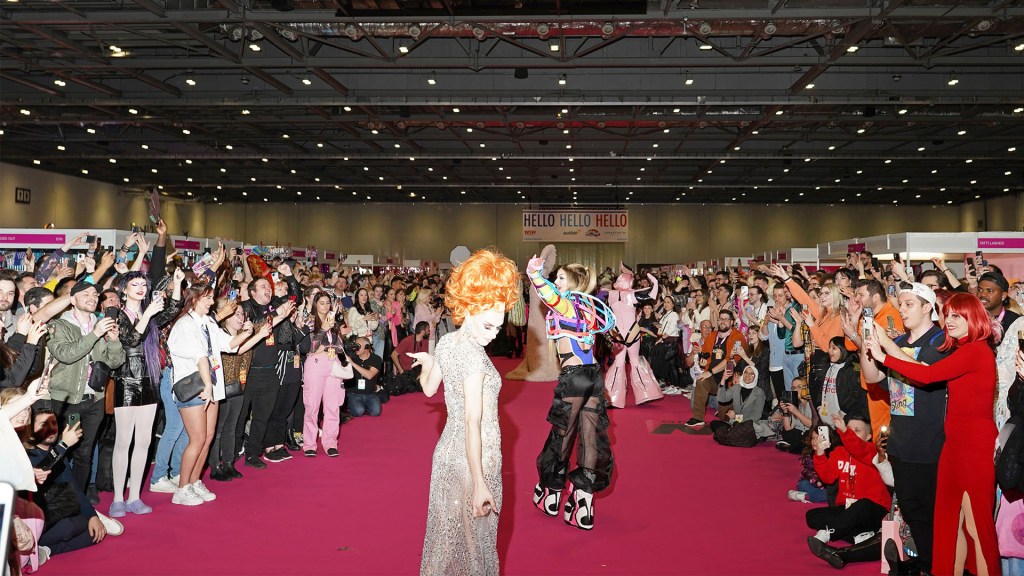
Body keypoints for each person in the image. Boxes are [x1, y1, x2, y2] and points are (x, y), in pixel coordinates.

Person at [864, 292, 1000, 576]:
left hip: (975, 449)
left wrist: (884, 351)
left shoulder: (976, 350)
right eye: (947, 315)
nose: (948, 321)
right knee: (950, 524)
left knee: (976, 526)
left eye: (956, 316)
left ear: (973, 317)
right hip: (952, 447)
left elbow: (926, 376)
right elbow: (926, 371)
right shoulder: (964, 351)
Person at [410, 248, 519, 575]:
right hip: (475, 458)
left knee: (448, 542)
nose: (494, 333)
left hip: (446, 453)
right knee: (476, 547)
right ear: (471, 307)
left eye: (499, 327)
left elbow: (429, 388)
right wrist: (480, 482)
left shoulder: (446, 343)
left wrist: (428, 362)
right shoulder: (473, 358)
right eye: (489, 325)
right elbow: (473, 422)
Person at [860, 282, 947, 575]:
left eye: (909, 304)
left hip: (930, 444)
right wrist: (867, 343)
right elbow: (873, 378)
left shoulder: (940, 341)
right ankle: (924, 565)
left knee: (933, 514)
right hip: (901, 442)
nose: (902, 310)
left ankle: (936, 566)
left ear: (927, 308)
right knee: (911, 511)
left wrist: (887, 345)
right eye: (901, 304)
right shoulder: (899, 341)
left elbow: (922, 374)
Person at [526, 255, 615, 530]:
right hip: (594, 377)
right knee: (590, 440)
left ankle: (551, 493)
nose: (557, 281)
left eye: (561, 278)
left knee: (562, 435)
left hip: (574, 379)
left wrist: (535, 274)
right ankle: (583, 504)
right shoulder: (589, 307)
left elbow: (549, 296)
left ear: (573, 283)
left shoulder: (567, 304)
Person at [167, 283, 269, 506]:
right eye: (208, 298)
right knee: (197, 439)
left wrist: (249, 333)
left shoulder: (209, 323)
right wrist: (207, 386)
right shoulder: (185, 325)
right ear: (194, 299)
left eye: (212, 298)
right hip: (196, 387)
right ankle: (182, 487)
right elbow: (200, 357)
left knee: (209, 436)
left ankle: (194, 482)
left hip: (212, 386)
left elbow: (230, 345)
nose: (212, 302)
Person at [107, 269, 183, 518]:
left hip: (149, 379)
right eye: (135, 284)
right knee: (123, 442)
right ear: (124, 289)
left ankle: (135, 497)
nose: (140, 288)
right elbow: (130, 340)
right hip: (126, 379)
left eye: (143, 284)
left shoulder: (148, 314)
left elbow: (172, 310)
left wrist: (178, 284)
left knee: (143, 442)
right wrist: (148, 312)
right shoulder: (117, 314)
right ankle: (118, 498)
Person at [46, 282, 126, 498]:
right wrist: (94, 334)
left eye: (95, 294)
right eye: (86, 294)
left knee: (85, 453)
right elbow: (65, 354)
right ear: (72, 300)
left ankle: (78, 500)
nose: (92, 297)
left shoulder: (101, 323)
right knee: (61, 451)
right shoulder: (59, 325)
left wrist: (114, 341)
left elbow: (115, 362)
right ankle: (55, 501)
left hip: (95, 399)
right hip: (69, 400)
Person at [806, 414, 891, 568]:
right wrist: (819, 453)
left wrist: (844, 431)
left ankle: (828, 533)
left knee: (862, 504)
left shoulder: (872, 451)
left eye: (856, 430)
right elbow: (828, 478)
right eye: (849, 429)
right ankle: (860, 536)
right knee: (812, 516)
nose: (851, 433)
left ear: (869, 436)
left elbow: (858, 448)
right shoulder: (839, 452)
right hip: (849, 510)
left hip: (874, 511)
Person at [604, 263, 663, 408]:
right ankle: (646, 394)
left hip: (616, 332)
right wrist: (654, 281)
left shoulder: (609, 294)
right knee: (635, 362)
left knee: (618, 363)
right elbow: (652, 294)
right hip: (632, 331)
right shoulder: (633, 295)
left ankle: (612, 397)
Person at [301, 293, 346, 457]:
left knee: (333, 406)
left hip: (333, 364)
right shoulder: (310, 321)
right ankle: (309, 444)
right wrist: (324, 329)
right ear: (315, 304)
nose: (326, 306)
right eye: (322, 303)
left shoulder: (334, 322)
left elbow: (340, 347)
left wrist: (329, 344)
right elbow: (310, 348)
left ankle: (330, 442)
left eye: (328, 303)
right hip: (315, 365)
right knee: (312, 407)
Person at [342, 336, 383, 418]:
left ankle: (362, 406)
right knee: (359, 411)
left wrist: (352, 363)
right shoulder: (352, 357)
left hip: (370, 393)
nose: (356, 347)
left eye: (358, 345)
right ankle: (356, 405)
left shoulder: (376, 359)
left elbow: (369, 375)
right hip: (354, 393)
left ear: (367, 347)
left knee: (376, 412)